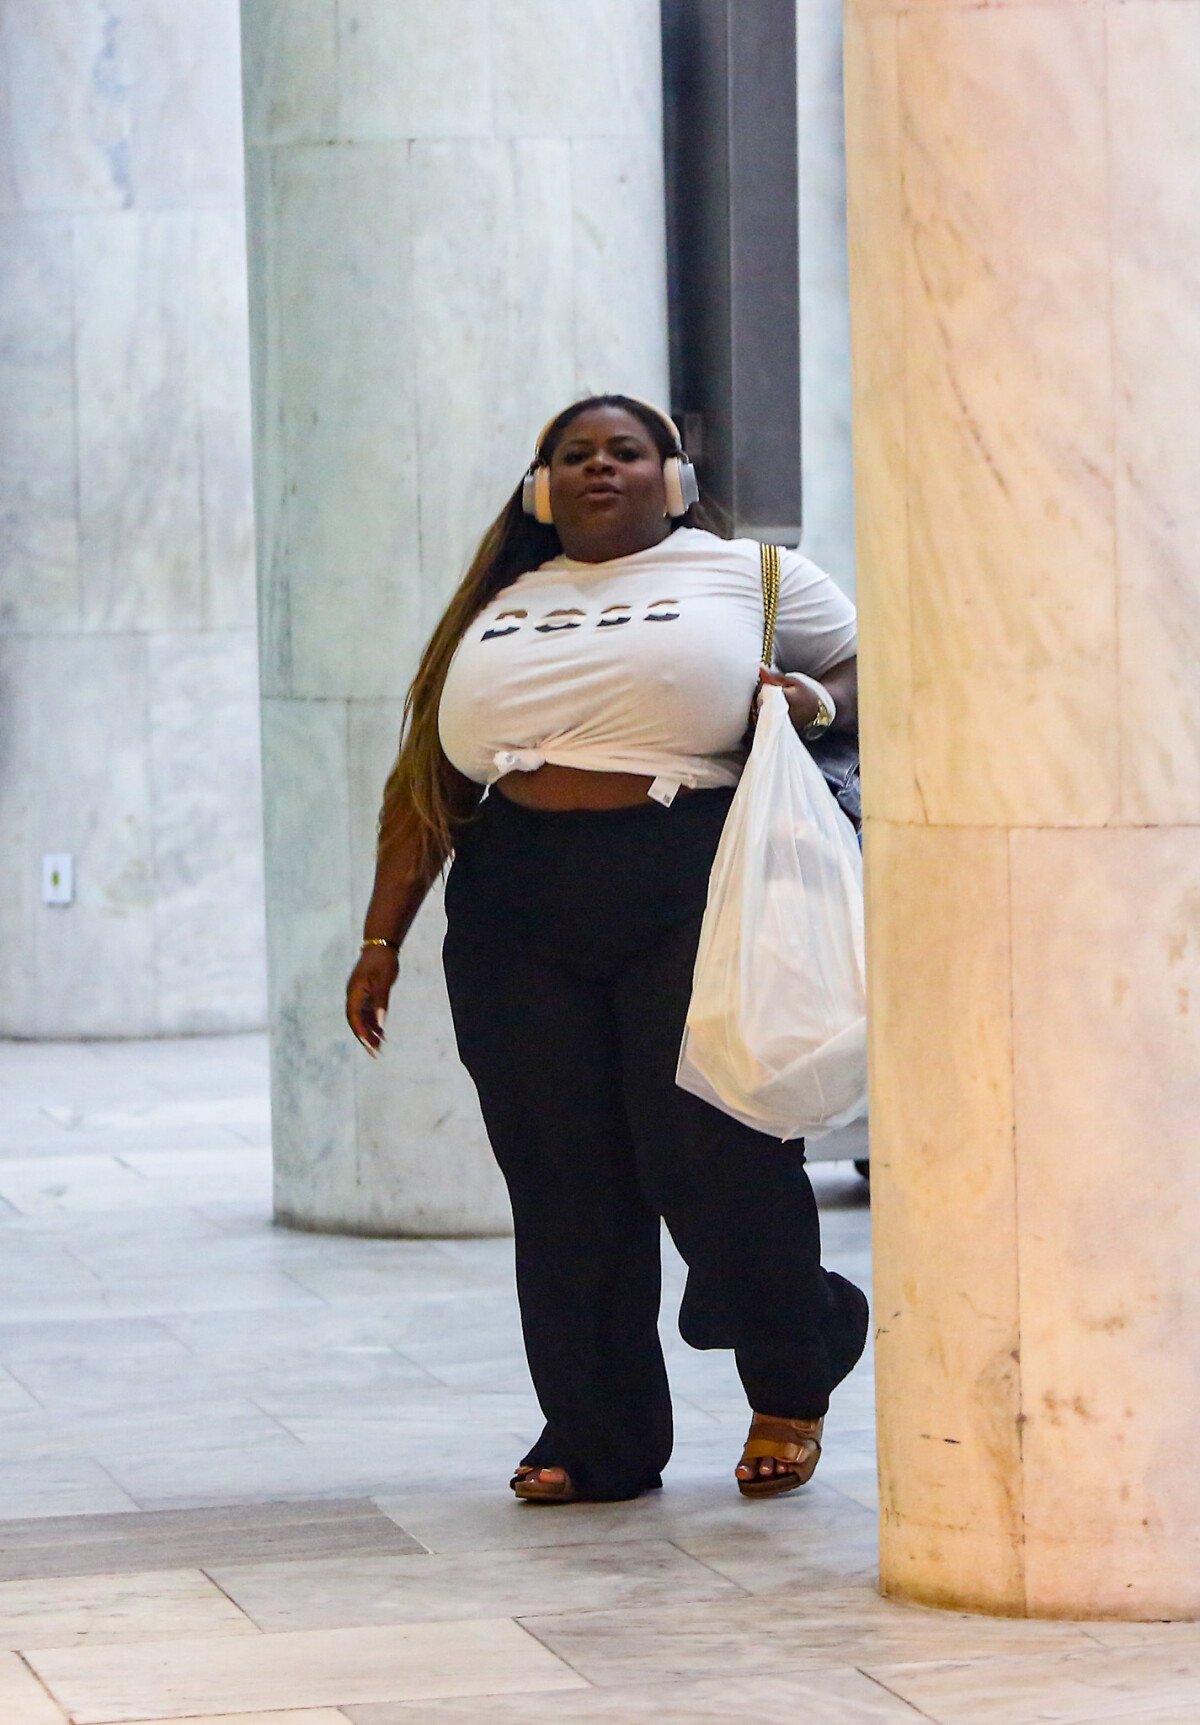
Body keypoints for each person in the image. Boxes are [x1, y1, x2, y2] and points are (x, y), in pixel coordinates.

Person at [345, 394, 868, 1504]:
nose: (598, 469)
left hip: (691, 874)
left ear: (672, 478)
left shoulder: (750, 575)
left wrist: (819, 697)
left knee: (713, 1155)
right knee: (563, 1179)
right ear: (540, 489)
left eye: (625, 452)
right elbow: (429, 783)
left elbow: (885, 673)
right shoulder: (498, 604)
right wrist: (381, 933)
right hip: (516, 895)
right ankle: (599, 1437)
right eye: (572, 455)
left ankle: (796, 1359)